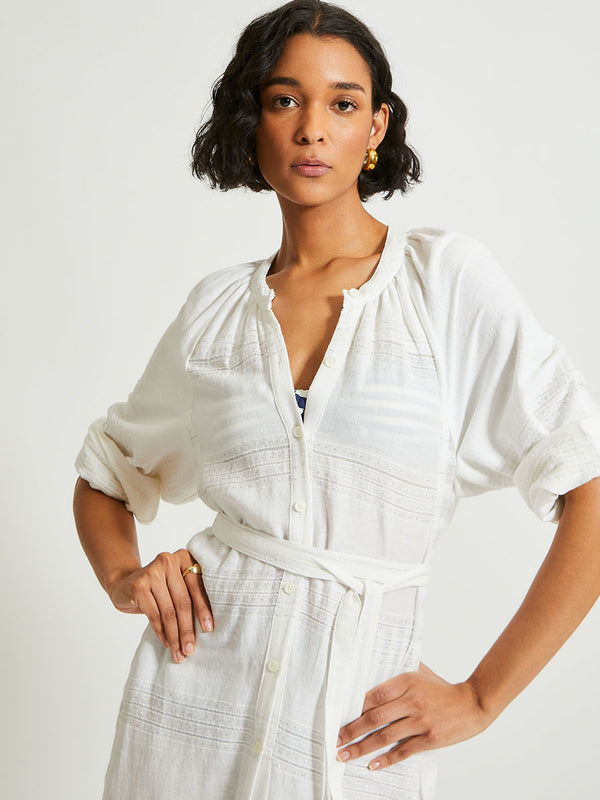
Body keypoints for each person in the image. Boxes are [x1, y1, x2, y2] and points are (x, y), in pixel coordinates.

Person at [72, 1, 600, 798]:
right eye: (286, 100)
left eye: (343, 103)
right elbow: (107, 474)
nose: (313, 128)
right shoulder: (214, 310)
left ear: (377, 127)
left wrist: (483, 697)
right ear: (252, 120)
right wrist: (125, 578)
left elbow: (585, 479)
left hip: (359, 739)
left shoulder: (443, 283)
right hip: (187, 718)